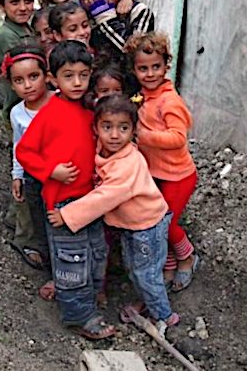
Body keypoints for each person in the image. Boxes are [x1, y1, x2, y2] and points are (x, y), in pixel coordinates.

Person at [48, 94, 179, 328]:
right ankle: (149, 301)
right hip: (132, 224)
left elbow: (104, 197)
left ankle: (164, 316)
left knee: (145, 273)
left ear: (133, 131)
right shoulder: (104, 150)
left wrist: (67, 215)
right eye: (107, 127)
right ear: (96, 128)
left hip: (147, 226)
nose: (115, 135)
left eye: (123, 128)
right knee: (135, 267)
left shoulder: (128, 164)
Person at [16, 41, 114, 340]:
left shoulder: (89, 110)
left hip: (90, 200)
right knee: (72, 259)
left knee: (95, 251)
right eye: (68, 76)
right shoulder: (50, 114)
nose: (77, 83)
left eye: (83, 75)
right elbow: (24, 151)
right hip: (63, 202)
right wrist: (51, 171)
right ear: (53, 79)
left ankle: (90, 296)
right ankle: (79, 316)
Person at [123, 32, 200, 292]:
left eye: (156, 67)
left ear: (166, 66)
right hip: (156, 174)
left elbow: (178, 137)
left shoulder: (169, 101)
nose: (150, 74)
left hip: (178, 175)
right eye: (143, 68)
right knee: (156, 223)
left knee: (166, 224)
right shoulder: (143, 96)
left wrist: (144, 136)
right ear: (134, 70)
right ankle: (168, 264)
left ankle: (187, 257)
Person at [3, 45, 54, 270]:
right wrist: (17, 175)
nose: (28, 85)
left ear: (47, 76)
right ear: (11, 85)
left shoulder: (60, 101)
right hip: (34, 174)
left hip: (63, 172)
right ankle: (39, 249)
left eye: (34, 76)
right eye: (19, 80)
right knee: (35, 211)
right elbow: (19, 145)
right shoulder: (17, 113)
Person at [0, 0, 36, 119]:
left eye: (28, 1)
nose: (23, 8)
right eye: (15, 2)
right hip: (22, 111)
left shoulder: (28, 29)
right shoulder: (7, 37)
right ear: (1, 5)